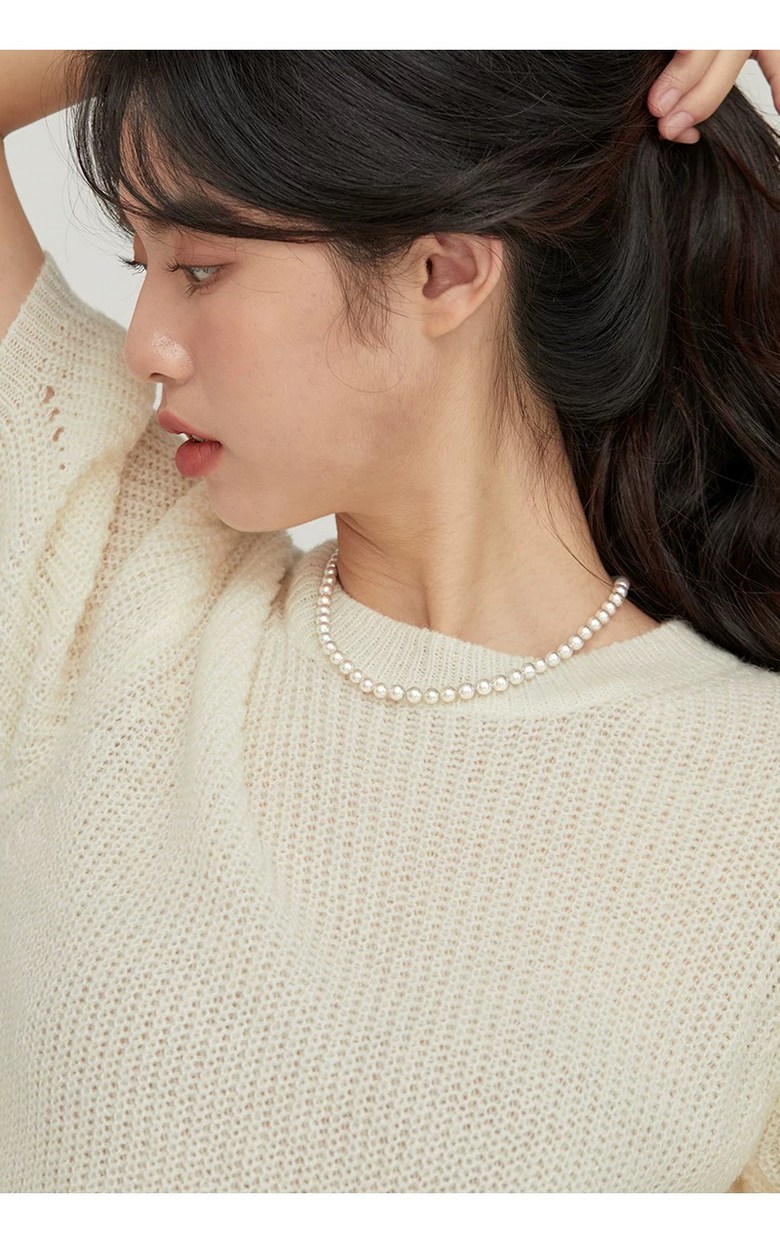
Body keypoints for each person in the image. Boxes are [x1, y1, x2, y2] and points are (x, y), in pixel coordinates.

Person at [0, 49, 778, 1194]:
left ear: (442, 273)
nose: (145, 343)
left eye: (201, 269)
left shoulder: (755, 803)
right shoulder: (122, 586)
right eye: (141, 266)